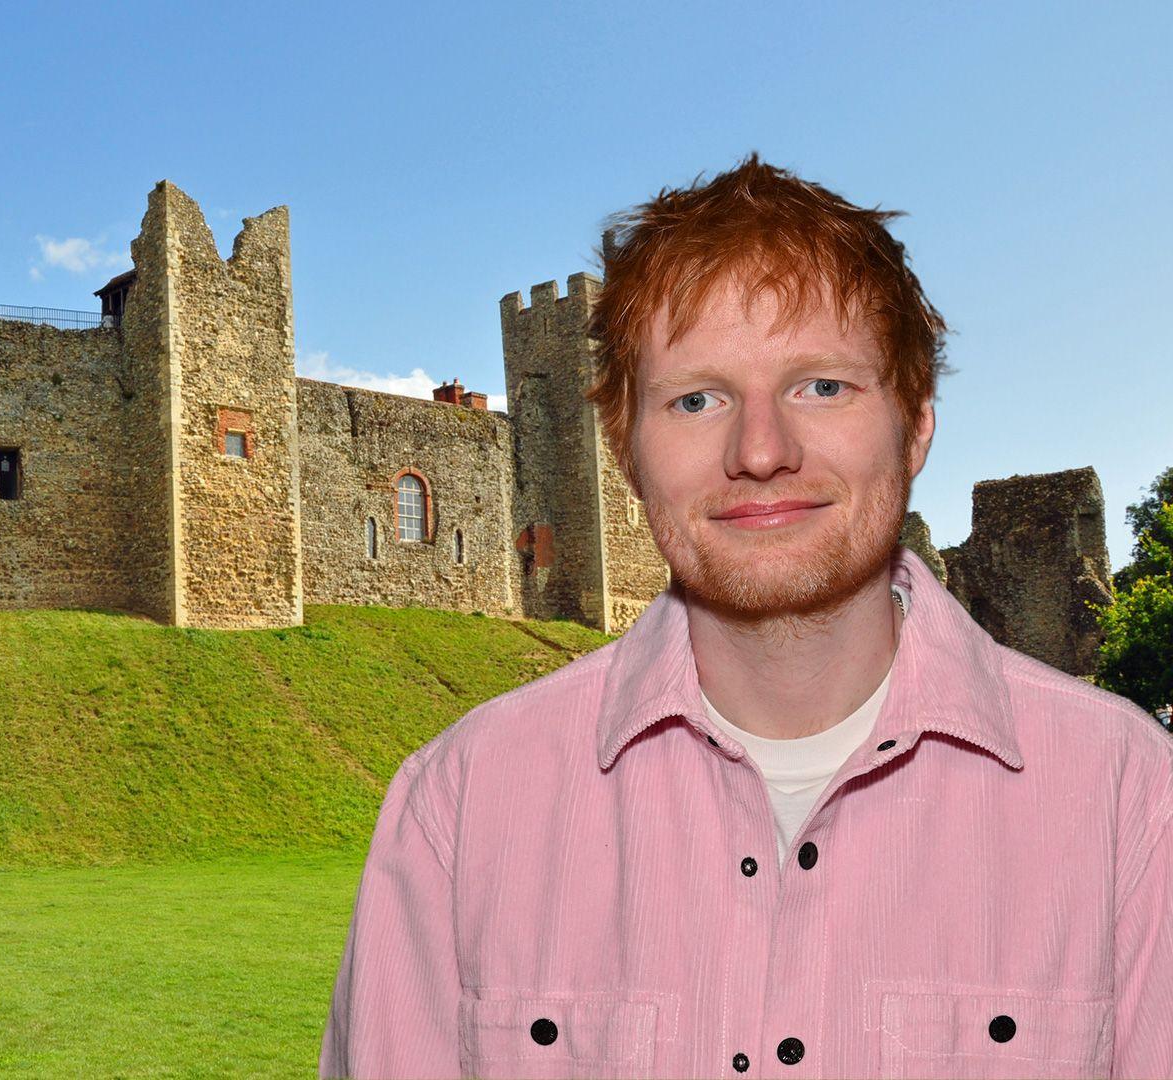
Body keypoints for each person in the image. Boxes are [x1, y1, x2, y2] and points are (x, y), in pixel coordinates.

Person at [318, 155, 1173, 1078]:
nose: (761, 451)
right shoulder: (458, 810)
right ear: (624, 448)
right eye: (697, 399)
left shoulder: (1129, 799)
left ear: (917, 423)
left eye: (822, 386)